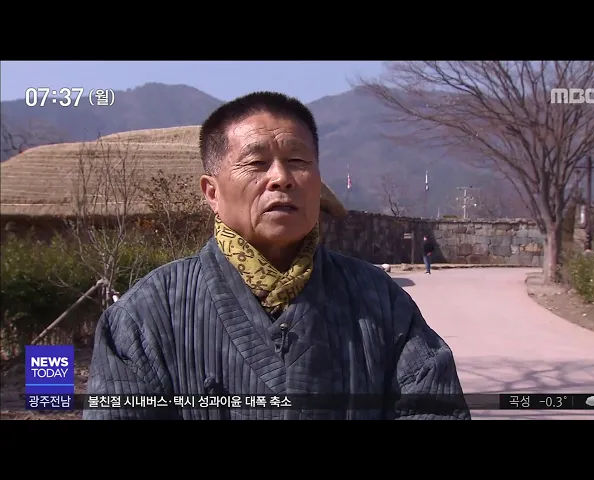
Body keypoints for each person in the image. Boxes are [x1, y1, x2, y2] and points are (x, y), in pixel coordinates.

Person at [83, 91, 470, 420]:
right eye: (256, 163)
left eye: (298, 162)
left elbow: (435, 407)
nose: (281, 178)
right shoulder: (145, 314)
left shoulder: (380, 300)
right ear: (212, 193)